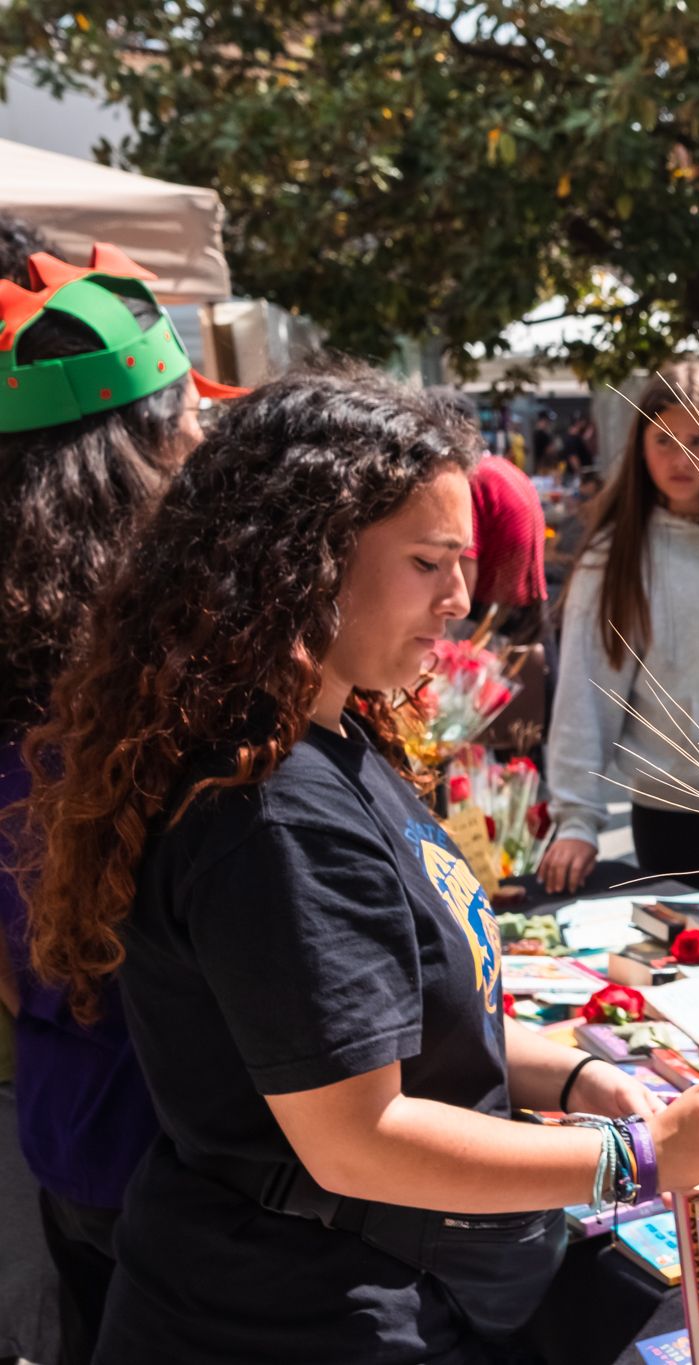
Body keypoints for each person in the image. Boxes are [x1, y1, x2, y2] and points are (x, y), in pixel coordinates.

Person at [23, 364, 699, 1362]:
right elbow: (358, 1134)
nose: (461, 600)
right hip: (290, 1321)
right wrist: (635, 1157)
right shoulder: (271, 814)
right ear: (305, 556)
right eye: (429, 563)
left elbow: (401, 1025)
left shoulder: (323, 742)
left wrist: (575, 1080)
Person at [0, 238, 233, 1365]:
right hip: (174, 1138)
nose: (200, 444)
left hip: (70, 1122)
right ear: (120, 455)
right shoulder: (137, 670)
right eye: (183, 419)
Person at [542, 360, 699, 899]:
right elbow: (586, 692)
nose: (680, 459)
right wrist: (577, 818)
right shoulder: (616, 558)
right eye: (664, 441)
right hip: (673, 816)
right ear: (639, 444)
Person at [425, 389, 549, 644]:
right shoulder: (504, 469)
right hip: (529, 610)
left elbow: (461, 566)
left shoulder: (467, 479)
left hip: (496, 621)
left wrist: (448, 639)